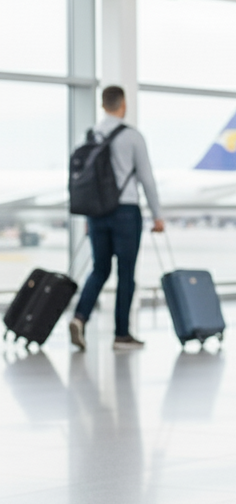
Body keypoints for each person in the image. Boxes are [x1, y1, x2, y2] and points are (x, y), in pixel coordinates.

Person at [69, 86, 164, 351]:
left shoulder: (88, 136)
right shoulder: (132, 137)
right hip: (125, 211)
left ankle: (79, 317)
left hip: (96, 213)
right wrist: (158, 215)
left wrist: (90, 216)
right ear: (123, 105)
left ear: (102, 104)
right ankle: (121, 335)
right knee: (126, 273)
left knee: (99, 269)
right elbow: (146, 178)